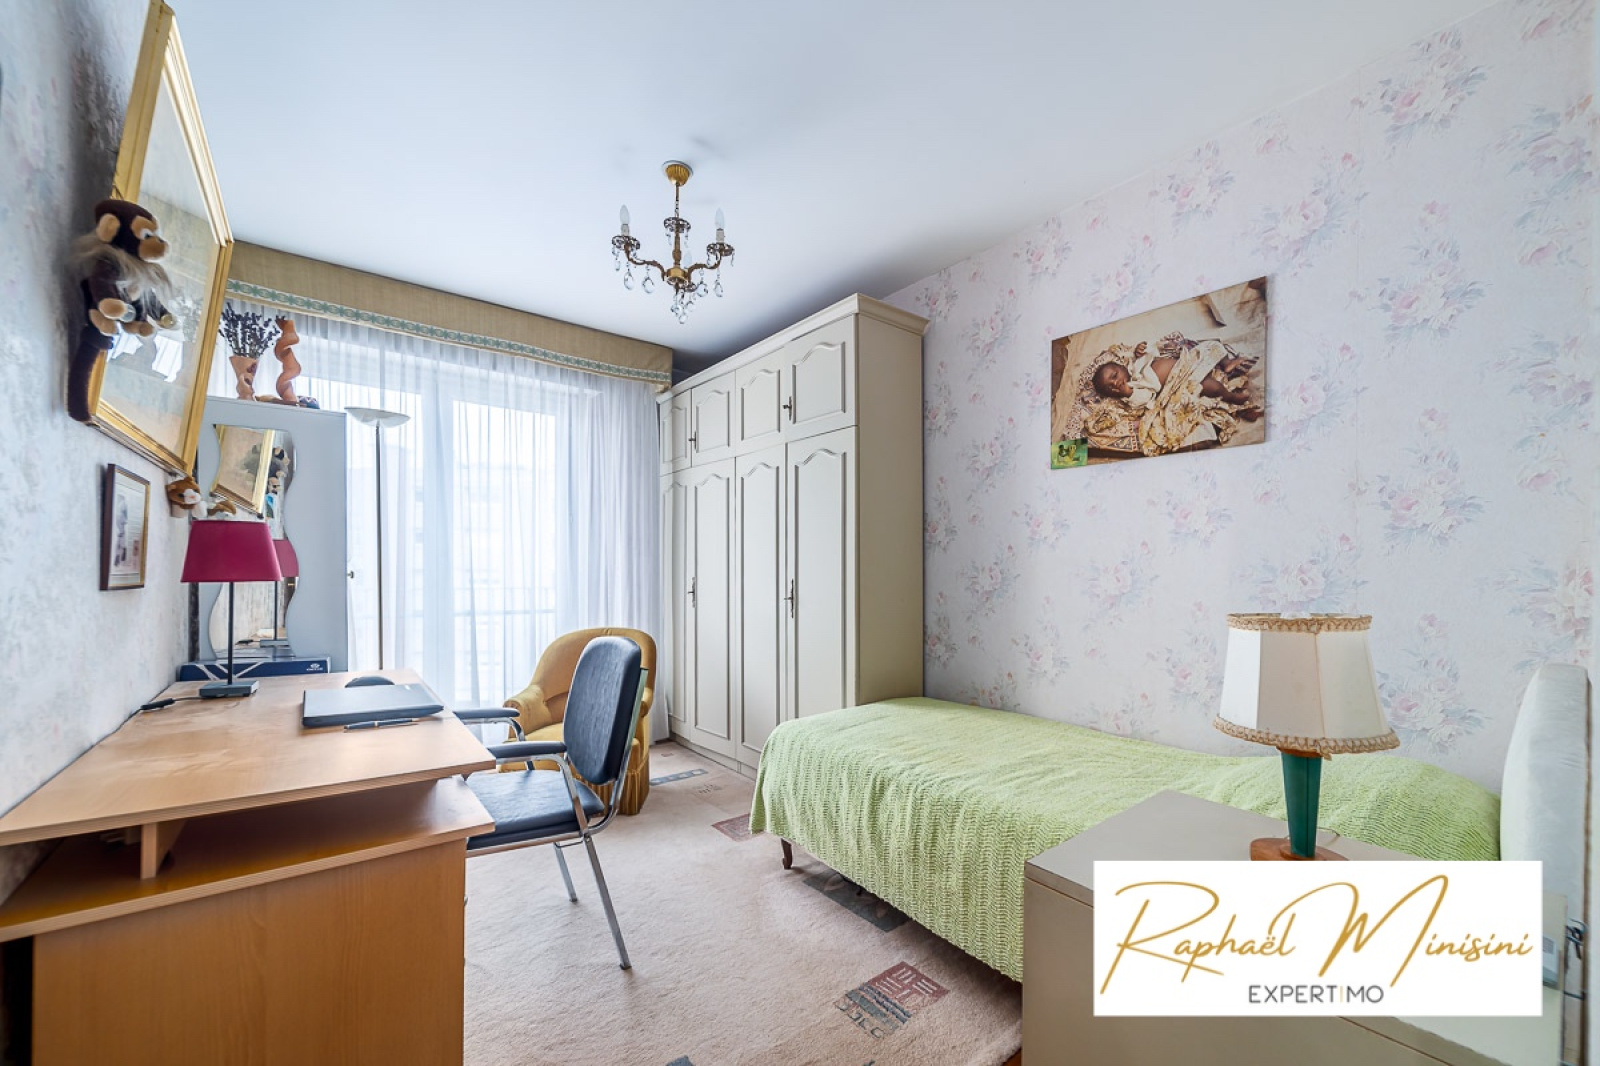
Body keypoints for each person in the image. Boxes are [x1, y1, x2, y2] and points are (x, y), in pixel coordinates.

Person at [1090, 333, 1260, 454]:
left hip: (1186, 362)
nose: (1115, 383)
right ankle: (1232, 397)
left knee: (1212, 345)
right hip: (1181, 381)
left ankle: (1227, 362)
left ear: (1122, 367)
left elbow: (1153, 351)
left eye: (1114, 376)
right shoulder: (1132, 393)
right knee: (1211, 386)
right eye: (1110, 387)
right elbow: (1145, 399)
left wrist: (1141, 349)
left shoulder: (1134, 364)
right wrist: (1128, 392)